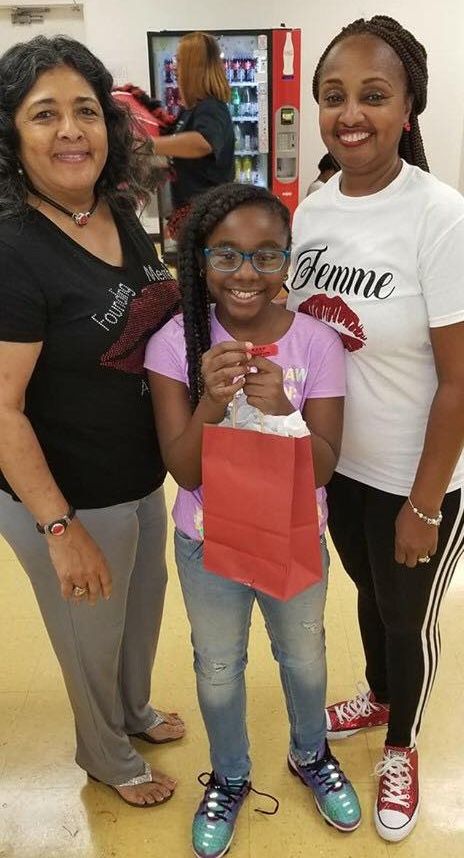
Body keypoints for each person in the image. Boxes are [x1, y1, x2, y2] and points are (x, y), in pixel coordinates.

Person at [286, 14, 464, 843]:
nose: (349, 112)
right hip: (340, 466)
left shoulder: (439, 217)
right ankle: (382, 693)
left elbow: (460, 379)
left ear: (407, 107)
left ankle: (402, 743)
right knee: (366, 593)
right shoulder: (313, 212)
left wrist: (425, 505)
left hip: (418, 475)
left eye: (373, 95)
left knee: (407, 617)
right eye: (334, 95)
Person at [144, 182, 361, 857]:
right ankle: (231, 776)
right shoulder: (174, 343)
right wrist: (212, 400)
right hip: (207, 540)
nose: (247, 274)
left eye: (268, 257)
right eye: (228, 255)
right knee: (216, 667)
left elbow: (322, 467)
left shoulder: (316, 344)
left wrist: (282, 414)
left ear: (289, 262)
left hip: (294, 534)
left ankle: (309, 753)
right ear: (200, 261)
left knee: (303, 657)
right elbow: (185, 470)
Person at [0, 35, 184, 808]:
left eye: (86, 110)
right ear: (12, 136)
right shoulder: (14, 249)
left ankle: (132, 711)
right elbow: (1, 408)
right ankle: (106, 754)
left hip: (136, 474)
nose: (71, 130)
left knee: (141, 609)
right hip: (68, 493)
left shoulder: (115, 211)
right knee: (90, 635)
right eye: (45, 115)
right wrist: (58, 527)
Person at [153, 31, 234, 241]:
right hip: (190, 216)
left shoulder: (211, 108)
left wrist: (150, 145)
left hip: (206, 218)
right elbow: (175, 149)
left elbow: (203, 142)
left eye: (179, 61)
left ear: (192, 67)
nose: (174, 68)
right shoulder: (189, 111)